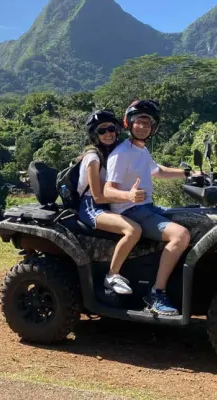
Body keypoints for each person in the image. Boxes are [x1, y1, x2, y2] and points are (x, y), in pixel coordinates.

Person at [104, 100, 193, 316]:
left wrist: (189, 174)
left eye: (147, 123)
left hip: (147, 207)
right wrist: (129, 195)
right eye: (138, 122)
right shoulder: (121, 153)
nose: (142, 127)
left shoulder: (141, 151)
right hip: (130, 210)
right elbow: (107, 190)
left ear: (153, 128)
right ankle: (157, 293)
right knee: (180, 235)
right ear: (129, 124)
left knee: (192, 216)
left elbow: (158, 171)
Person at [77, 110, 143, 295]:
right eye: (102, 130)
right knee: (133, 230)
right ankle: (112, 275)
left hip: (106, 203)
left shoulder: (113, 153)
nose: (108, 133)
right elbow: (97, 195)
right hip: (91, 206)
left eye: (111, 128)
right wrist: (128, 196)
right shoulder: (93, 158)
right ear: (94, 134)